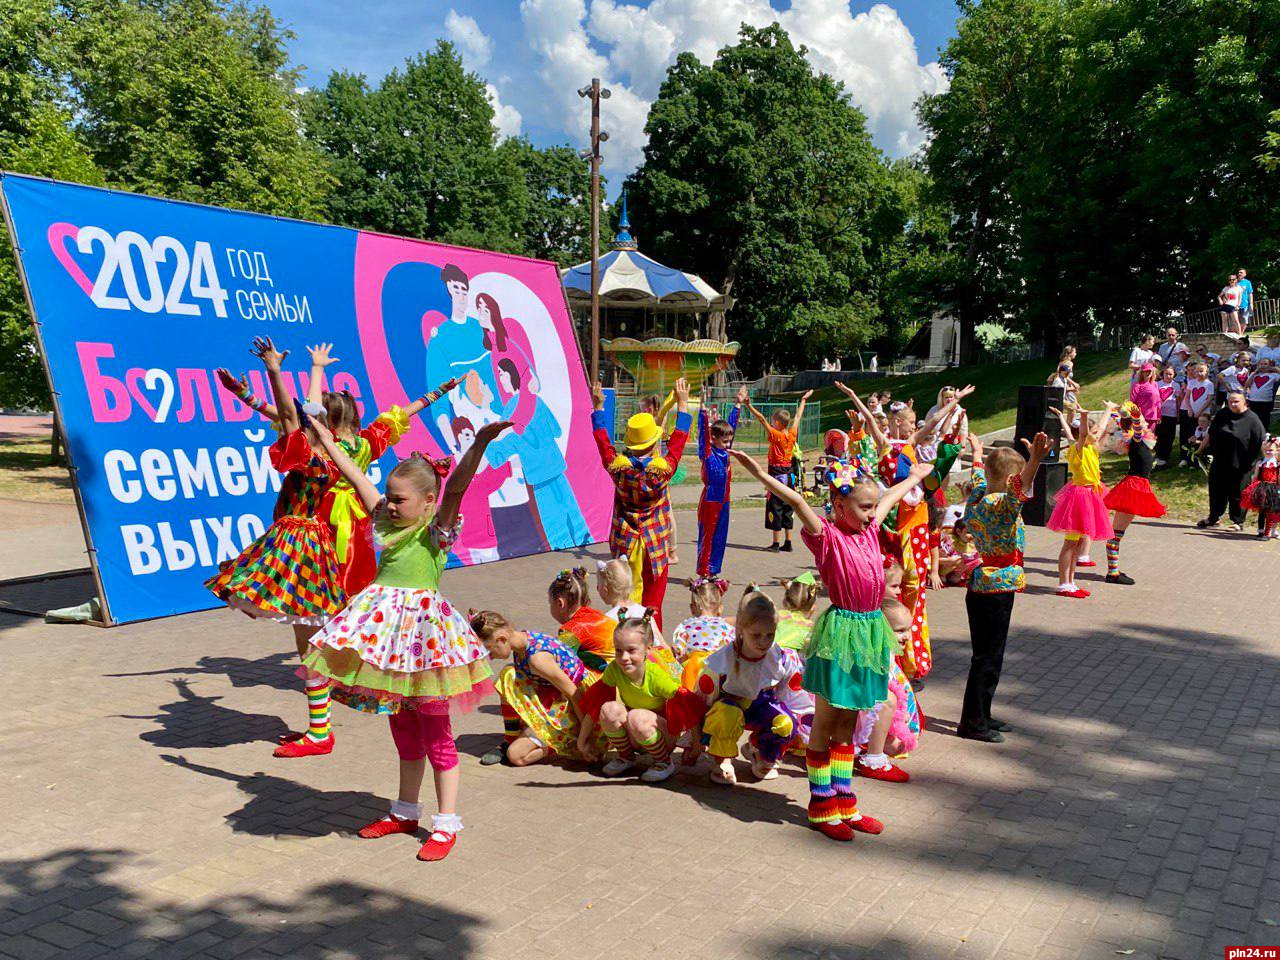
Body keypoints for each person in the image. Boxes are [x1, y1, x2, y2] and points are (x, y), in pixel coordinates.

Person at [301, 417, 504, 862]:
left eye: (400, 500)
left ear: (427, 502)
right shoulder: (386, 522)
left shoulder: (436, 530)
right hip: (389, 645)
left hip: (426, 645)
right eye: (389, 498)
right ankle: (405, 812)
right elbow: (354, 475)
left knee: (438, 736)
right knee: (404, 730)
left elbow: (456, 490)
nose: (390, 506)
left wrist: (481, 443)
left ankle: (446, 823)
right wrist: (325, 437)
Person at [730, 448, 936, 841]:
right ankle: (821, 806)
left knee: (852, 721)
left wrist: (915, 477)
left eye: (873, 507)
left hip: (870, 633)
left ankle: (845, 802)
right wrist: (758, 472)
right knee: (827, 721)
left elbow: (890, 495)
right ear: (840, 505)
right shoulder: (827, 536)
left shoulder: (871, 528)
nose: (873, 513)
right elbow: (794, 499)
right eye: (863, 507)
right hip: (841, 635)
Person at [205, 337, 348, 759]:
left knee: (311, 642)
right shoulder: (333, 452)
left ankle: (321, 732)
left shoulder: (309, 456)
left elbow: (287, 413)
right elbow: (280, 412)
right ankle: (319, 727)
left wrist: (273, 370)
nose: (297, 422)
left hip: (298, 546)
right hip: (309, 544)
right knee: (308, 642)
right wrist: (244, 393)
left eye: (306, 419)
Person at [958, 432, 1050, 741]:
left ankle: (983, 712)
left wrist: (976, 451)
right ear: (1012, 478)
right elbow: (1017, 491)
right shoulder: (1002, 505)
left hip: (983, 585)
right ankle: (973, 723)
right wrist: (1035, 460)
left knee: (988, 655)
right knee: (988, 657)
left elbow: (981, 475)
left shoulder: (979, 494)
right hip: (994, 586)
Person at [591, 379, 690, 628]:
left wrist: (598, 408)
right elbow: (678, 442)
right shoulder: (662, 471)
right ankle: (652, 644)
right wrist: (683, 404)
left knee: (625, 597)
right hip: (655, 542)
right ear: (654, 443)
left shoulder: (618, 469)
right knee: (653, 601)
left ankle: (624, 639)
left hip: (626, 540)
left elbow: (603, 444)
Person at [687, 588, 805, 784]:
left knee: (786, 722)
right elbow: (701, 701)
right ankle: (722, 758)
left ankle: (759, 750)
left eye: (770, 635)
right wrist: (696, 740)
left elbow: (791, 696)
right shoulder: (720, 662)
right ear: (741, 629)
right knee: (726, 715)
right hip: (729, 708)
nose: (763, 642)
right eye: (756, 635)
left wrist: (794, 729)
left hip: (762, 708)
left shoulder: (781, 658)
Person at [576, 614, 700, 783]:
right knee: (608, 709)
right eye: (618, 650)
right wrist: (581, 742)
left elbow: (687, 706)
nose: (624, 658)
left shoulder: (655, 676)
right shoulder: (614, 669)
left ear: (648, 649)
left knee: (637, 716)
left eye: (631, 650)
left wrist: (695, 745)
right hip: (637, 732)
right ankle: (626, 757)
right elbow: (595, 704)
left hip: (662, 736)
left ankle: (664, 762)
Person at [474, 611, 598, 767]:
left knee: (516, 756)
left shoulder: (537, 659)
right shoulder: (523, 640)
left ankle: (562, 744)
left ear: (501, 639)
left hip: (575, 708)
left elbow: (575, 694)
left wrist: (584, 739)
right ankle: (511, 738)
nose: (490, 657)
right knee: (508, 675)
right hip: (555, 698)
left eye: (490, 650)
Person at [1046, 404, 1117, 598]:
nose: (1097, 434)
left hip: (1089, 495)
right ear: (1083, 435)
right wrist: (1084, 415)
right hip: (1079, 497)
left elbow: (1096, 429)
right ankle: (1063, 584)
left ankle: (1071, 582)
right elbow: (1083, 432)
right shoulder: (1078, 449)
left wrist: (1109, 410)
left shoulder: (1088, 447)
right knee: (1070, 543)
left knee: (1076, 543)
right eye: (1091, 432)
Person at [853, 599, 921, 784]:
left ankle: (872, 746)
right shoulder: (874, 656)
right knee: (887, 702)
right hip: (860, 709)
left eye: (908, 629)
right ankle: (873, 759)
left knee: (900, 743)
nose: (906, 636)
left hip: (869, 709)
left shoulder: (888, 652)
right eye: (899, 631)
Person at [1101, 404, 1166, 585]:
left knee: (1117, 532)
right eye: (1143, 421)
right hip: (1133, 488)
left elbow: (1124, 424)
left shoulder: (1136, 441)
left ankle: (1113, 570)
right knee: (1116, 533)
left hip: (1136, 485)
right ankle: (1112, 573)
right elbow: (1134, 427)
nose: (1145, 424)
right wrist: (1136, 417)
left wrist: (1113, 410)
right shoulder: (1136, 440)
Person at [746, 390, 813, 552]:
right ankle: (788, 542)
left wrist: (749, 406)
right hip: (789, 474)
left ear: (776, 422)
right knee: (788, 506)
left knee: (775, 507)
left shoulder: (776, 435)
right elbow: (798, 417)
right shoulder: (792, 434)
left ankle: (776, 544)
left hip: (776, 474)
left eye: (773, 421)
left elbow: (761, 419)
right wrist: (803, 400)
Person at [1197, 391, 1267, 531]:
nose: (1233, 404)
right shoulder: (1223, 414)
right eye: (1231, 402)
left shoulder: (1252, 419)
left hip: (1242, 464)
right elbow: (1211, 434)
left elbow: (1261, 442)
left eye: (1237, 402)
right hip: (1220, 461)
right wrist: (1200, 450)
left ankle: (1237, 521)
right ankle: (1213, 518)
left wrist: (1265, 462)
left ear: (1245, 402)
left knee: (1238, 493)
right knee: (1216, 491)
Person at [696, 387, 745, 577]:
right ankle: (704, 571)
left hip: (724, 500)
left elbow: (732, 423)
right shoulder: (707, 453)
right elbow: (702, 431)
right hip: (710, 501)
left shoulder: (725, 451)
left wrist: (738, 403)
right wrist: (702, 406)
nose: (727, 445)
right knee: (707, 536)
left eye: (729, 441)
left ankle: (714, 570)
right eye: (724, 441)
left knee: (720, 537)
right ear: (713, 439)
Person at [671, 577, 734, 690]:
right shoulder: (727, 627)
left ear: (692, 608)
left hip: (693, 669)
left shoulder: (685, 626)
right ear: (720, 609)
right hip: (718, 670)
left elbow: (678, 649)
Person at [548, 567, 616, 673]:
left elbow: (560, 660)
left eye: (550, 602)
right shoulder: (595, 615)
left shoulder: (571, 630)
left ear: (560, 603)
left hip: (609, 676)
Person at [1242, 437, 1280, 538]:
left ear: (1277, 450)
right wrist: (1252, 488)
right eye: (1266, 450)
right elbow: (1255, 477)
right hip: (1263, 488)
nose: (1268, 452)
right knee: (1262, 510)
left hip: (1274, 489)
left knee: (1273, 511)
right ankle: (1261, 530)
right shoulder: (1261, 463)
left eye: (1271, 450)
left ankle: (1271, 530)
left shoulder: (1277, 464)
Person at [1179, 362, 1215, 467]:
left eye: (1201, 371)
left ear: (1206, 372)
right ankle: (1187, 458)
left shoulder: (1209, 384)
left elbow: (1209, 399)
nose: (1199, 373)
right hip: (1191, 414)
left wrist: (1199, 412)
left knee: (1202, 437)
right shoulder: (1192, 382)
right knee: (1190, 435)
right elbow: (1187, 397)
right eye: (1197, 371)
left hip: (1203, 415)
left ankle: (1201, 458)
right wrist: (1190, 410)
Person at [1152, 362, 1182, 467]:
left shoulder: (1176, 385)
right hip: (1159, 414)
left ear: (1174, 375)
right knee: (1159, 435)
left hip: (1171, 414)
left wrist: (1178, 413)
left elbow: (1178, 400)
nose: (1168, 376)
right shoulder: (1157, 384)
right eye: (1166, 374)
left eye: (1170, 374)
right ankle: (1158, 454)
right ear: (1162, 374)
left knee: (1169, 436)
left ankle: (1165, 456)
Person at [1246, 359, 1279, 427]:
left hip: (1266, 400)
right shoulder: (1254, 374)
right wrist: (1254, 372)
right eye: (1261, 364)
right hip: (1253, 400)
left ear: (1270, 366)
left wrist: (1276, 369)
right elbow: (1247, 385)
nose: (1263, 366)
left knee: (1265, 419)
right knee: (1253, 418)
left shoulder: (1273, 375)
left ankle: (1265, 433)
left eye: (1265, 364)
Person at [1129, 363, 1161, 427]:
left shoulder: (1155, 384)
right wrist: (1135, 417)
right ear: (1142, 373)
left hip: (1153, 418)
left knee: (1150, 436)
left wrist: (1159, 415)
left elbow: (1158, 401)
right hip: (1141, 418)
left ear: (1152, 372)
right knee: (1141, 436)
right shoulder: (1137, 385)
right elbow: (1132, 402)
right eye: (1146, 371)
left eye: (1150, 371)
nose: (1148, 373)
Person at [1237, 267, 1254, 332]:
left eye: (1241, 272)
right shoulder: (1235, 282)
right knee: (1236, 321)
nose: (1239, 274)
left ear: (1245, 274)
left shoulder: (1247, 282)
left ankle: (1240, 334)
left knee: (1244, 320)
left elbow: (1250, 293)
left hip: (1245, 305)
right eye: (1238, 272)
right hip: (1236, 305)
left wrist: (1251, 304)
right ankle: (1238, 334)